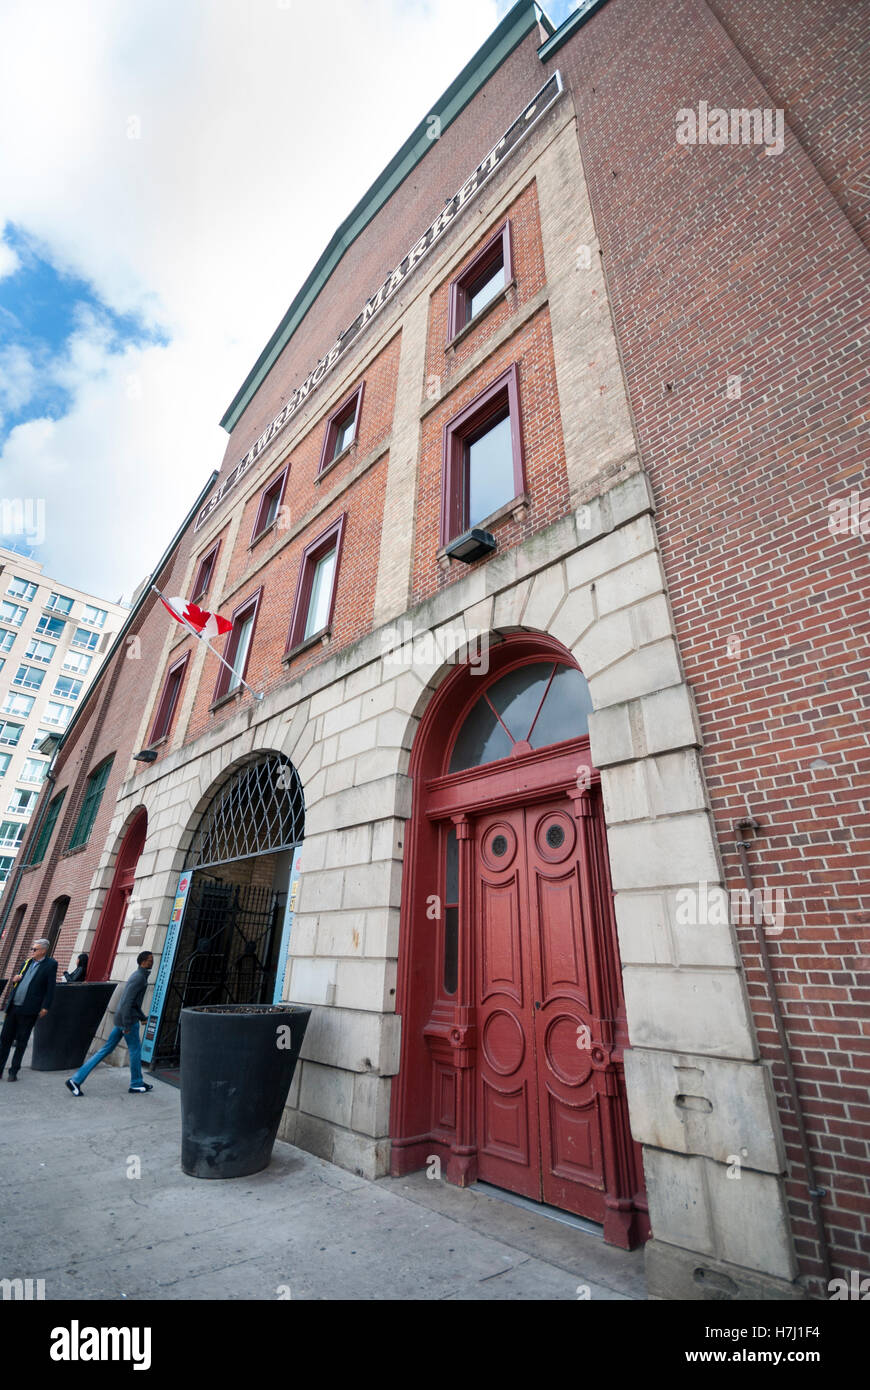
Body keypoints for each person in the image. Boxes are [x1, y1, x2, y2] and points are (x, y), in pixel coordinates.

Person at [65, 952, 154, 1096]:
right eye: (150, 960)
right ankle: (136, 1083)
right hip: (128, 1021)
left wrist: (142, 1016)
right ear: (143, 962)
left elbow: (133, 1003)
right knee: (135, 1051)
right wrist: (126, 1025)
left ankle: (76, 1080)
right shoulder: (139, 978)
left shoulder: (139, 976)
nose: (152, 962)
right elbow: (127, 1002)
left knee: (105, 1050)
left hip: (124, 1019)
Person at [0, 938, 58, 1081]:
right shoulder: (26, 963)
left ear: (43, 950)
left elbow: (50, 988)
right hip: (14, 1007)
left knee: (21, 1041)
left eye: (35, 949)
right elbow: (18, 982)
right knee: (4, 1040)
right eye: (32, 949)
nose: (32, 951)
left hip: (29, 1010)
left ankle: (13, 1071)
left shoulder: (50, 965)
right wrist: (15, 980)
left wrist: (46, 1006)